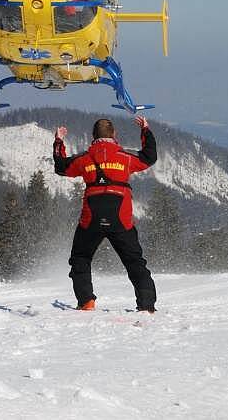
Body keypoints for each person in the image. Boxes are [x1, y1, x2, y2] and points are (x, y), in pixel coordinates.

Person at [53, 115, 157, 312]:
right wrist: (145, 130)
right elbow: (149, 157)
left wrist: (59, 141)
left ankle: (86, 302)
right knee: (134, 262)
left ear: (93, 136)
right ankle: (146, 305)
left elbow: (61, 167)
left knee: (81, 258)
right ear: (114, 135)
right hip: (121, 218)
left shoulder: (84, 159)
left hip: (91, 217)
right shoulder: (126, 157)